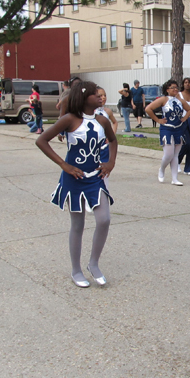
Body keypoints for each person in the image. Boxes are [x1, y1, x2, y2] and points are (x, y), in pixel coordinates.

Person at [35, 82, 117, 288]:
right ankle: (76, 270)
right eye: (95, 95)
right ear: (83, 98)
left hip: (95, 178)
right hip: (75, 179)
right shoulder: (69, 119)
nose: (100, 97)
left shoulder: (102, 121)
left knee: (104, 219)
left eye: (100, 94)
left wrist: (111, 162)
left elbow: (113, 141)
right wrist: (64, 165)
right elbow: (42, 141)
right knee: (78, 225)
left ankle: (93, 264)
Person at [146, 79, 190, 186]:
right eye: (172, 87)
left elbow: (189, 110)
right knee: (168, 154)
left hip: (178, 128)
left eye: (176, 87)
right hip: (167, 128)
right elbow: (148, 109)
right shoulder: (163, 99)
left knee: (175, 155)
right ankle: (161, 169)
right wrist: (158, 120)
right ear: (167, 89)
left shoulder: (180, 100)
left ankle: (174, 179)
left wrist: (184, 118)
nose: (175, 89)